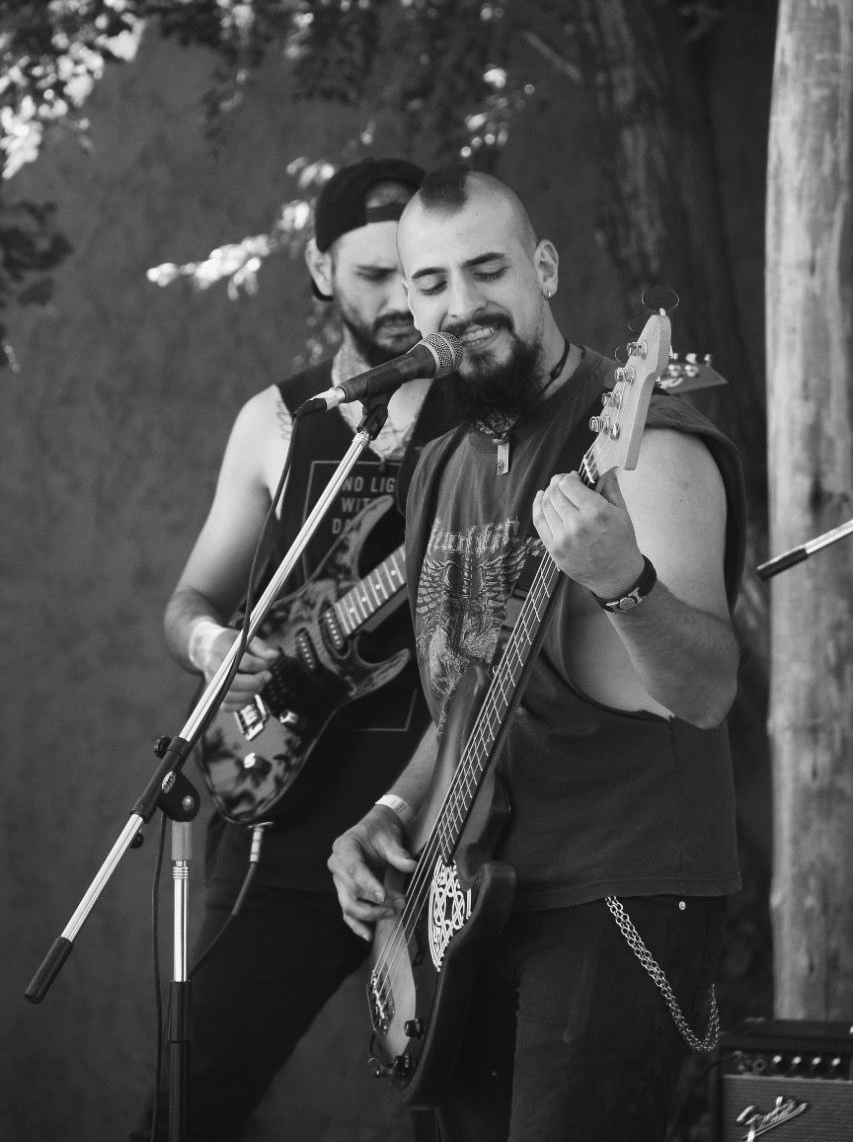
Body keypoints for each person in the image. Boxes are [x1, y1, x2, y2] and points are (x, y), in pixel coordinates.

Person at [328, 164, 746, 1142]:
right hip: (460, 906)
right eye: (432, 283)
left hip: (617, 885)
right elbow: (462, 701)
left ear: (543, 268)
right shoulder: (439, 466)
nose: (462, 305)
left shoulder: (647, 437)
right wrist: (391, 811)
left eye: (488, 270)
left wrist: (624, 582)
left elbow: (706, 690)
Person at [131, 157, 461, 1141]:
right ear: (320, 270)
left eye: (415, 272)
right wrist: (212, 644)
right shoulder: (281, 421)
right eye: (371, 275)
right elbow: (189, 600)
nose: (399, 299)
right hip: (281, 817)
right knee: (190, 1102)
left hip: (446, 820)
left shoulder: (491, 423)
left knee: (468, 1109)